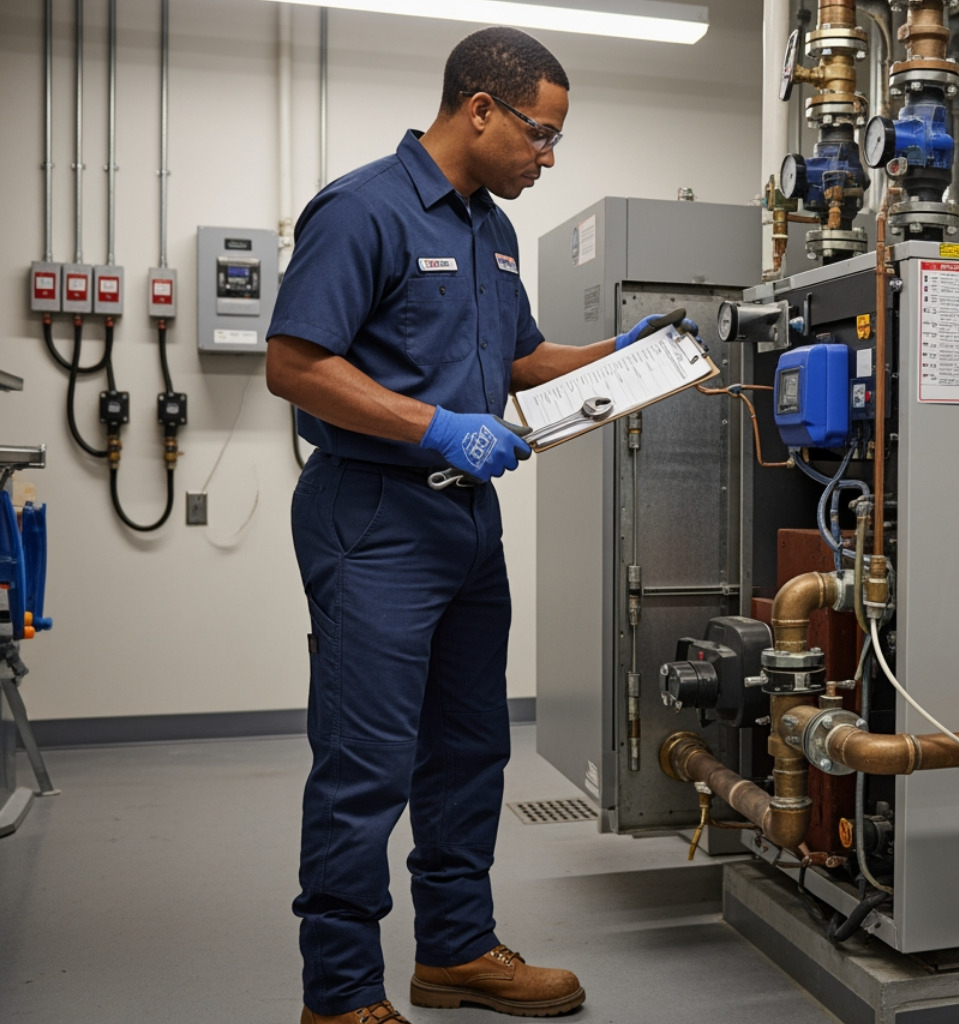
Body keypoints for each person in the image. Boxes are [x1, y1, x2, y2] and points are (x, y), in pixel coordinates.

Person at [266, 27, 687, 1024]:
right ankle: (339, 995)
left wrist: (618, 355)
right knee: (366, 763)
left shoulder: (489, 229)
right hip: (373, 515)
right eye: (541, 136)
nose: (549, 157)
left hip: (465, 527)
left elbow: (524, 357)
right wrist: (437, 426)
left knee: (468, 748)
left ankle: (453, 951)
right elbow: (293, 363)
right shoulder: (362, 208)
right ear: (480, 110)